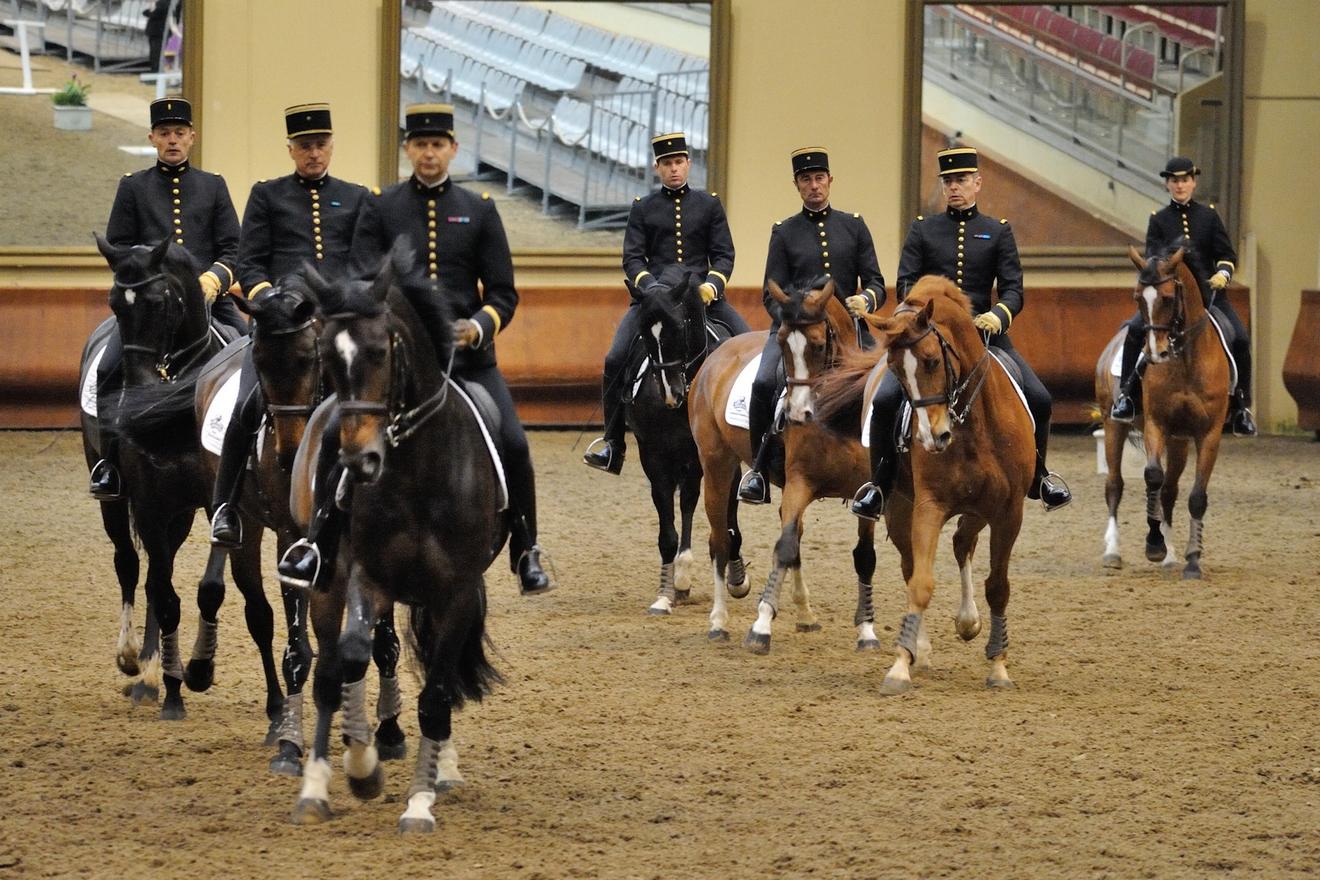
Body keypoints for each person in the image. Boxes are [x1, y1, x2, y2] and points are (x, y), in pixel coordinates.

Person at [276, 102, 552, 595]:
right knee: (338, 432)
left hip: (466, 362)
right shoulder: (381, 207)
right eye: (420, 144)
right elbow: (361, 279)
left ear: (452, 150)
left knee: (513, 440)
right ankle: (317, 541)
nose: (429, 153)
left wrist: (479, 326)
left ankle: (525, 548)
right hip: (390, 366)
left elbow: (504, 293)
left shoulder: (480, 210)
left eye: (437, 145)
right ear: (408, 150)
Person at [851, 146, 1071, 519]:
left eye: (962, 180)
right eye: (949, 181)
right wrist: (923, 322)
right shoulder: (923, 229)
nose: (955, 187)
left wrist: (999, 315)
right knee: (886, 400)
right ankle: (880, 484)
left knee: (1041, 398)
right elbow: (906, 285)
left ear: (977, 184)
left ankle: (1039, 477)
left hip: (987, 339)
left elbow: (1014, 289)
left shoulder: (997, 231)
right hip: (927, 341)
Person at [208, 103, 371, 547]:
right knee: (245, 406)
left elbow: (364, 265)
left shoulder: (357, 197)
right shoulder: (267, 195)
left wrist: (344, 304)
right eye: (304, 147)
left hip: (338, 328)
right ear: (291, 150)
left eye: (320, 145)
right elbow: (250, 261)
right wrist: (269, 303)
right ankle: (225, 507)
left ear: (331, 146)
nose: (313, 154)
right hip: (281, 329)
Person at [89, 96, 244, 500]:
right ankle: (109, 462)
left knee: (250, 363)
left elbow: (233, 248)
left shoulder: (213, 186)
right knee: (108, 367)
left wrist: (214, 278)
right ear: (152, 138)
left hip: (208, 302)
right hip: (149, 311)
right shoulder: (133, 187)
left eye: (179, 133)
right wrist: (144, 277)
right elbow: (120, 247)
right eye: (164, 134)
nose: (172, 140)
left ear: (191, 137)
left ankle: (244, 461)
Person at [582, 131, 748, 475]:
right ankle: (613, 444)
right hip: (655, 302)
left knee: (749, 353)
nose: (674, 169)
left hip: (704, 300)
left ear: (688, 164)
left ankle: (753, 448)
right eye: (666, 163)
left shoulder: (709, 205)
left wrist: (711, 287)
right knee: (614, 358)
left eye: (679, 162)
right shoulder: (644, 208)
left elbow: (723, 255)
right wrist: (650, 290)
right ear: (657, 168)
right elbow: (632, 259)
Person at [737, 146, 887, 505]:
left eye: (820, 178)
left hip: (848, 331)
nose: (814, 185)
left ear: (830, 181)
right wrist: (791, 316)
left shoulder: (853, 226)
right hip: (794, 332)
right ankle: (759, 469)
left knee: (884, 388)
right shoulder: (784, 232)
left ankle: (883, 470)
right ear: (797, 185)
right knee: (762, 382)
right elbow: (769, 293)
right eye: (806, 180)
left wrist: (865, 300)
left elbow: (877, 282)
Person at [1109, 156, 1256, 435]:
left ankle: (1242, 407)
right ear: (1168, 184)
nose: (1180, 185)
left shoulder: (1209, 216)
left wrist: (1223, 274)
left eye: (1185, 180)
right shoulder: (1159, 219)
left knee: (1240, 339)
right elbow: (1152, 258)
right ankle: (1126, 396)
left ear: (1193, 182)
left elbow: (1226, 254)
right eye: (1175, 181)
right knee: (1135, 331)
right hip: (1169, 298)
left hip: (1209, 297)